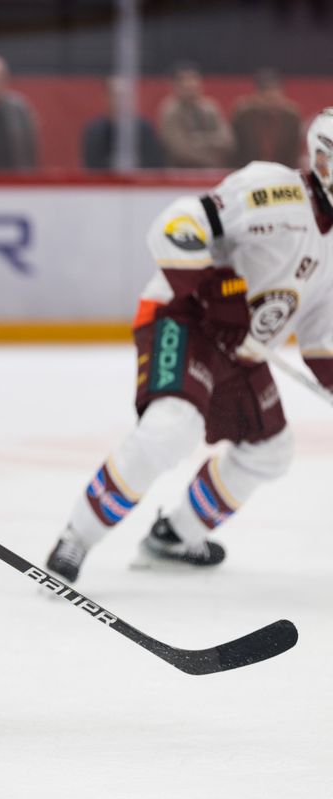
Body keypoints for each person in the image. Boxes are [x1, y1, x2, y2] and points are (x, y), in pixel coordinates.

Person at [45, 108, 333, 583]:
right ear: (323, 160)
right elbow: (175, 226)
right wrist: (217, 287)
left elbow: (322, 336)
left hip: (241, 351)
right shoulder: (276, 191)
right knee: (171, 430)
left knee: (270, 451)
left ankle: (174, 537)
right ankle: (77, 536)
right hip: (184, 316)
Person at [80, 76, 166, 170]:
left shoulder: (145, 129)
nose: (120, 100)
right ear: (105, 97)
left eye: (124, 95)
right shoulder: (94, 132)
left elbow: (154, 164)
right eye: (115, 95)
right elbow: (92, 166)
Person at [158, 63, 233, 169]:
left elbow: (227, 141)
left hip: (215, 171)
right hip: (181, 175)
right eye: (184, 80)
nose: (190, 84)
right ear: (174, 84)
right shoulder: (170, 111)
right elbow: (180, 150)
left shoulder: (210, 107)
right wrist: (210, 158)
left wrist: (197, 139)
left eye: (193, 79)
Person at [229, 69, 302, 169]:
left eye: (276, 98)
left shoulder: (291, 117)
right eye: (268, 98)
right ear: (257, 96)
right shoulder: (243, 116)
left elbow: (294, 153)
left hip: (281, 172)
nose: (272, 103)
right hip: (248, 171)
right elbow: (234, 149)